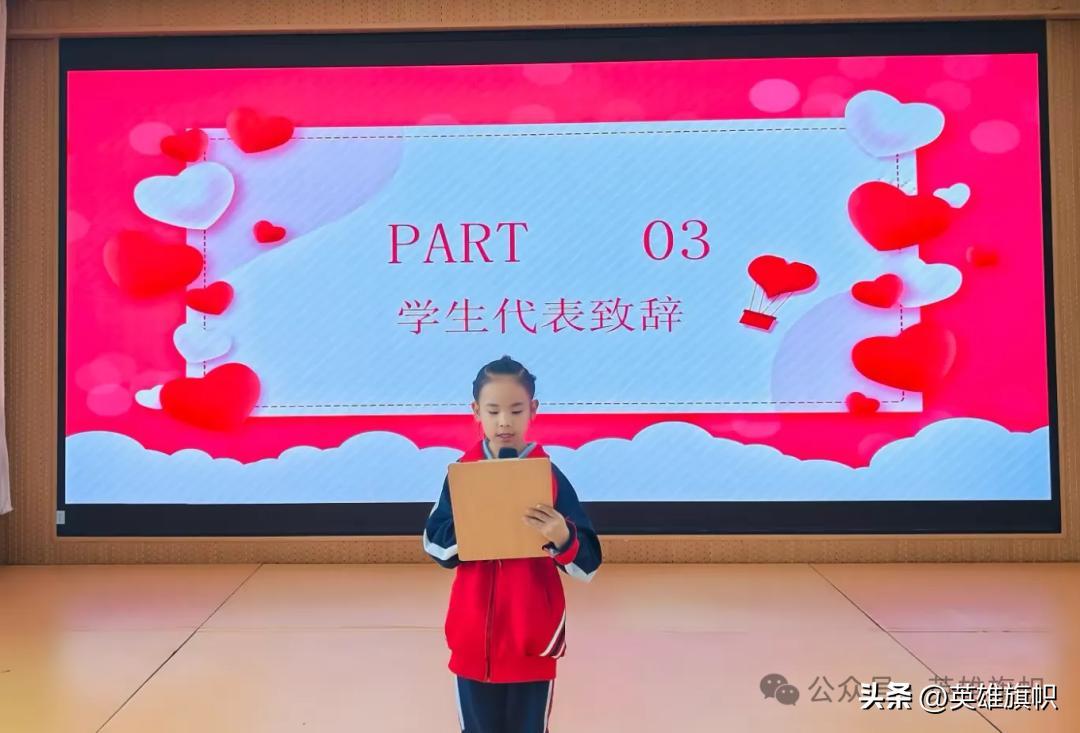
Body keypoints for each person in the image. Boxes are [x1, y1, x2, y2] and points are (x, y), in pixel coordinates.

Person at [423, 355, 602, 733]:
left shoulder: (550, 477)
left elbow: (588, 563)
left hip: (532, 642)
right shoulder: (461, 474)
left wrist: (562, 536)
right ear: (476, 411)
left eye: (516, 410)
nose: (504, 421)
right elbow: (434, 543)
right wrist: (474, 529)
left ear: (533, 410)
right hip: (472, 642)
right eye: (493, 411)